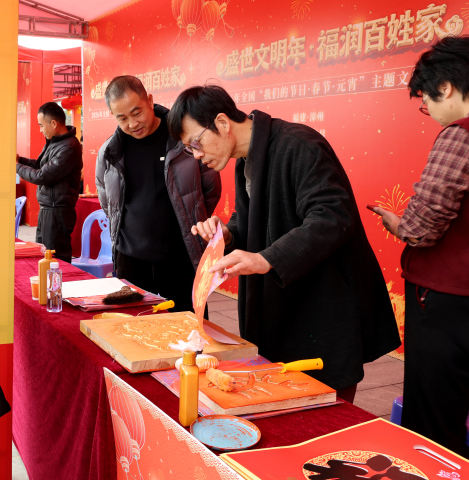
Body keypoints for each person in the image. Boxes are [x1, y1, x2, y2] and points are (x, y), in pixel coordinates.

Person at [169, 85, 400, 400]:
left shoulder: (298, 145)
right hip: (285, 306)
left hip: (322, 306)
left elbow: (331, 216)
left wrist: (267, 258)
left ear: (222, 123)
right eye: (189, 149)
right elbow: (255, 217)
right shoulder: (247, 158)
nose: (196, 155)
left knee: (325, 407)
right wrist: (228, 232)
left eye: (196, 143)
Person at [372, 36, 469, 456]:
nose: (427, 108)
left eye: (426, 99)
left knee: (433, 416)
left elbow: (422, 227)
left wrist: (398, 224)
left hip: (448, 299)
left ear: (445, 86)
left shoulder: (459, 136)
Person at [96, 76, 221, 314]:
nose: (132, 123)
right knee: (133, 329)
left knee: (188, 328)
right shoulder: (110, 152)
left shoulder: (183, 139)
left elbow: (210, 189)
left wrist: (191, 218)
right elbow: (108, 202)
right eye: (122, 118)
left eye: (137, 113)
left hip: (181, 258)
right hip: (131, 260)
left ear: (150, 101)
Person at [16, 102, 82, 263]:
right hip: (48, 209)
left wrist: (16, 166)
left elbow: (42, 176)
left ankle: (59, 280)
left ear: (53, 123)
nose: (40, 130)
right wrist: (20, 160)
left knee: (55, 259)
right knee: (43, 255)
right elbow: (40, 165)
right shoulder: (56, 142)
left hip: (57, 211)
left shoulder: (69, 147)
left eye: (41, 125)